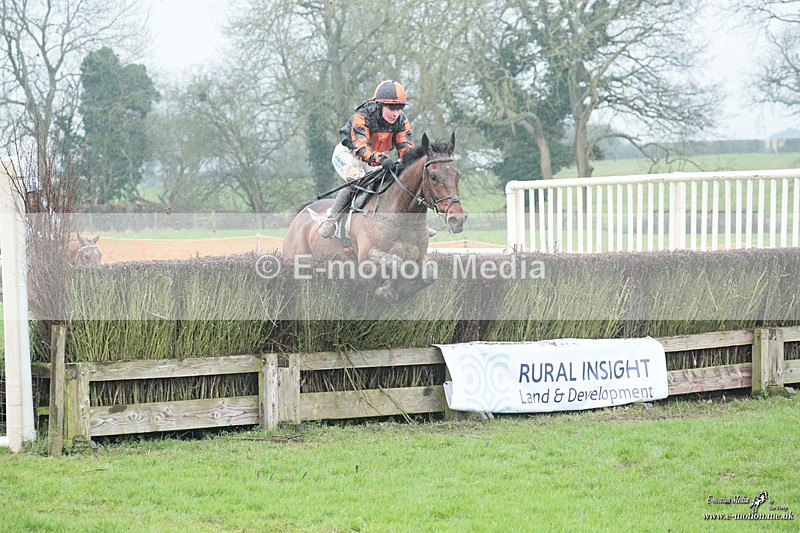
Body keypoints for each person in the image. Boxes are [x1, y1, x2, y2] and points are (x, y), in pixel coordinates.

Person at [318, 80, 415, 239]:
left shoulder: (401, 120)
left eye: (399, 108)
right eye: (391, 108)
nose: (395, 113)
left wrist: (408, 163)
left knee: (390, 182)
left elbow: (405, 147)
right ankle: (331, 219)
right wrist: (382, 159)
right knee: (357, 179)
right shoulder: (362, 115)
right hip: (348, 154)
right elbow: (361, 148)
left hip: (374, 158)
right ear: (379, 105)